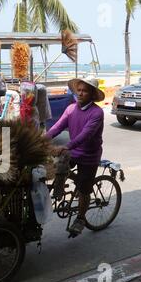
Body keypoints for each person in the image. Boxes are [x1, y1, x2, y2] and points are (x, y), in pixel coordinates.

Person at [46, 77, 105, 238]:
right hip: (74, 152)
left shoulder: (97, 112)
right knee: (58, 164)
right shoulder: (71, 108)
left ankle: (80, 219)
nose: (80, 93)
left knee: (84, 189)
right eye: (78, 90)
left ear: (92, 94)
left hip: (89, 156)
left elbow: (86, 135)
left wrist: (67, 146)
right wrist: (44, 139)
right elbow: (58, 126)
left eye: (84, 90)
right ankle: (60, 186)